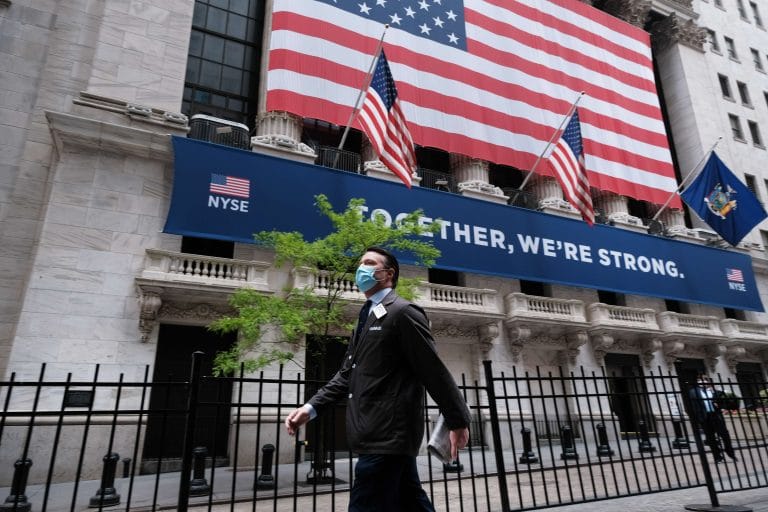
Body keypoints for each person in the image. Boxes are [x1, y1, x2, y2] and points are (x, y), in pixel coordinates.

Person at [284, 246, 471, 511]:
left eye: (369, 263)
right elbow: (346, 374)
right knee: (411, 502)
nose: (361, 269)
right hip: (378, 436)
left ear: (388, 274)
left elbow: (433, 370)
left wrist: (458, 419)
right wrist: (310, 408)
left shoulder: (404, 312)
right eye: (360, 263)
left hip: (386, 437)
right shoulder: (366, 315)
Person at [688, 374, 737, 463]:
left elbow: (724, 402)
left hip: (716, 415)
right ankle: (717, 456)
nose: (702, 381)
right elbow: (692, 406)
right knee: (710, 438)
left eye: (705, 379)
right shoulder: (693, 392)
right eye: (700, 380)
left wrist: (720, 406)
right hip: (705, 417)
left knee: (725, 435)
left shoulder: (715, 391)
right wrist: (697, 418)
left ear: (708, 381)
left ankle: (730, 453)